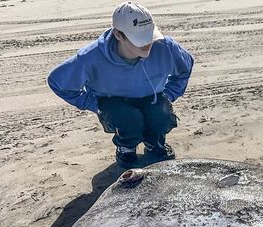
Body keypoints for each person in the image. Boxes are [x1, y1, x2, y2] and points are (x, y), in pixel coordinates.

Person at [48, 2, 194, 167]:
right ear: (118, 35)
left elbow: (185, 67)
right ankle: (126, 148)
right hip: (114, 103)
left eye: (149, 35)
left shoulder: (166, 47)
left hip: (152, 98)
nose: (148, 43)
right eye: (139, 38)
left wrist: (169, 95)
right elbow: (58, 82)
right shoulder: (91, 57)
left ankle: (155, 143)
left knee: (161, 114)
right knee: (129, 119)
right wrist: (95, 105)